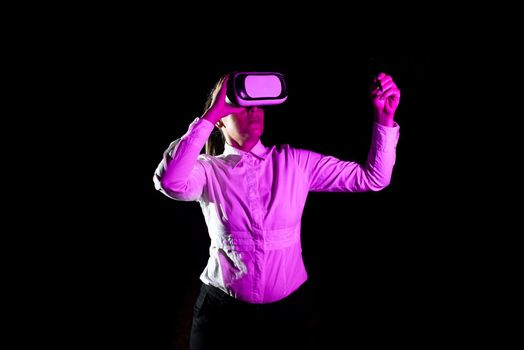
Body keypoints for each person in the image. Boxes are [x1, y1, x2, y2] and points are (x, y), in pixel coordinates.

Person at [153, 71, 401, 349]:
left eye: (258, 104)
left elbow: (374, 178)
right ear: (220, 118)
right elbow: (169, 181)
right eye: (240, 103)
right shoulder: (207, 171)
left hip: (287, 318)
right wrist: (210, 115)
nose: (253, 109)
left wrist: (384, 118)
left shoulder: (296, 163)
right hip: (222, 316)